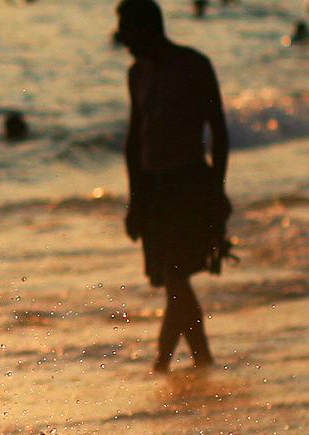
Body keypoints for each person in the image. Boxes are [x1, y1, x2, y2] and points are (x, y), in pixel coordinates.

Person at [117, 0, 229, 371]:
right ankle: (199, 361)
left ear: (148, 28)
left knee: (176, 274)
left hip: (190, 183)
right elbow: (134, 142)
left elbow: (219, 133)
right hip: (153, 191)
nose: (123, 41)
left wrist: (217, 189)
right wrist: (135, 202)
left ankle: (164, 364)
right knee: (170, 279)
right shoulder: (137, 74)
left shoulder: (193, 66)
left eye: (128, 31)